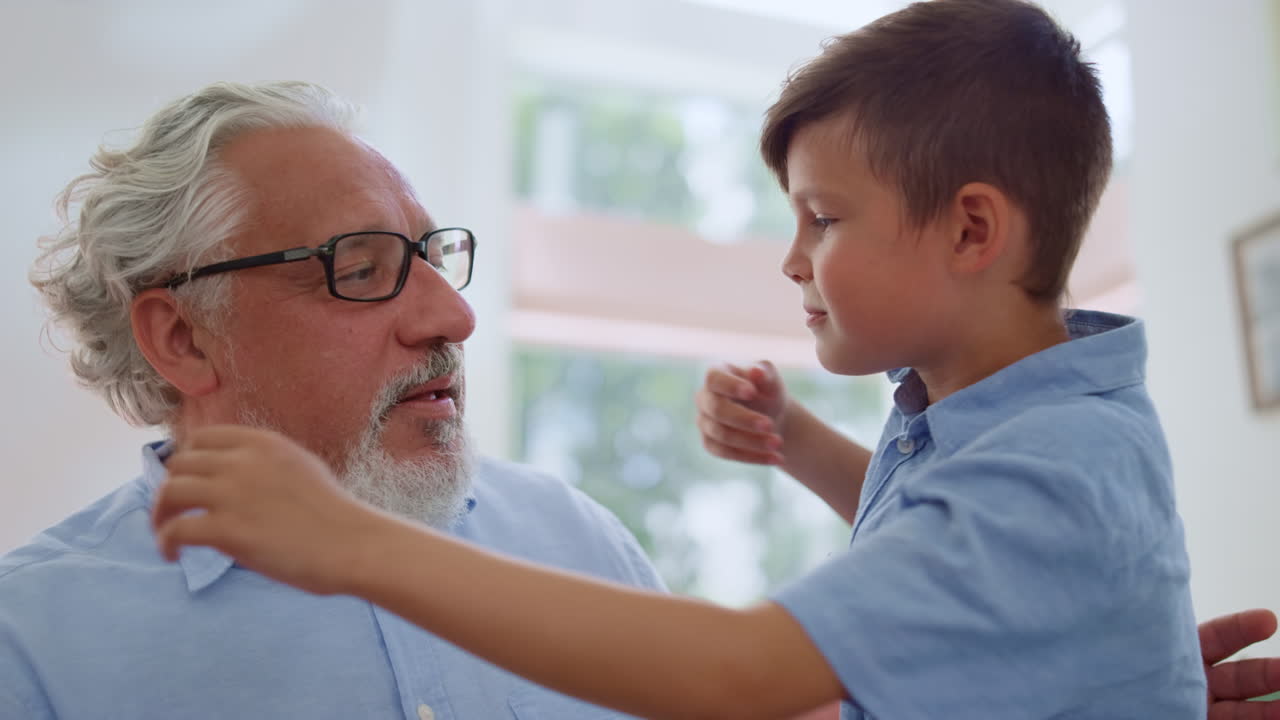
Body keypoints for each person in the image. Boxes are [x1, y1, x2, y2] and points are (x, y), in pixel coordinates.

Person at [146, 1, 1266, 718]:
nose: (790, 261)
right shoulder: (994, 423)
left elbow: (740, 672)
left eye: (820, 218)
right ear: (176, 338)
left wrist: (350, 542)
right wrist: (798, 444)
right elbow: (917, 515)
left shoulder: (1049, 461)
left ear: (972, 232)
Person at [0, 80, 666, 719]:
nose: (453, 317)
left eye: (432, 258)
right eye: (358, 270)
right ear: (183, 338)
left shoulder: (576, 542)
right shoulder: (30, 646)